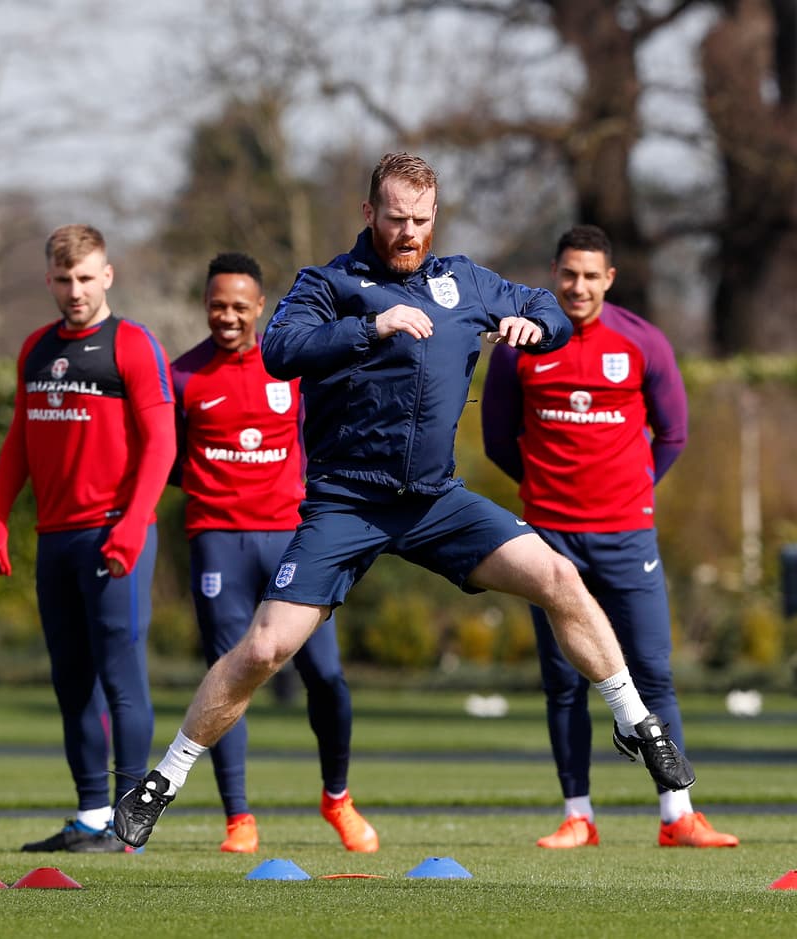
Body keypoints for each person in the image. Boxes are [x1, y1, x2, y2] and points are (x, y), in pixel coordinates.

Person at [113, 152, 696, 850]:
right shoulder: (329, 284)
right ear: (370, 213)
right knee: (265, 647)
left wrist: (538, 328)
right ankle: (162, 782)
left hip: (434, 501)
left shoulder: (464, 282)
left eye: (422, 219)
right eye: (396, 218)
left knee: (556, 576)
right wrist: (372, 327)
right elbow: (281, 348)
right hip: (345, 504)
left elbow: (546, 306)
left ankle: (636, 723)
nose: (410, 232)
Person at [481, 224, 737, 849]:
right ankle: (578, 815)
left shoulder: (644, 341)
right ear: (554, 271)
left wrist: (633, 491)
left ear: (609, 279)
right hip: (549, 540)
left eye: (592, 276)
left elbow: (672, 433)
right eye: (569, 274)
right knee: (565, 680)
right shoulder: (521, 345)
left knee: (652, 673)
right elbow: (496, 439)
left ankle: (678, 816)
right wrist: (547, 489)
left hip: (628, 537)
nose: (579, 286)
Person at [170, 251, 376, 853]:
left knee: (327, 677)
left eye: (238, 306)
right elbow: (169, 460)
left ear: (260, 307)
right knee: (229, 677)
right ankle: (239, 818)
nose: (226, 316)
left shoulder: (292, 368)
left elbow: (327, 438)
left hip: (293, 538)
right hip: (218, 543)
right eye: (216, 305)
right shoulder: (183, 376)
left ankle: (336, 799)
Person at [0, 224, 176, 853]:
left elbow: (161, 445)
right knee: (71, 681)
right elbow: (20, 439)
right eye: (63, 279)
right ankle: (91, 816)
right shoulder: (36, 349)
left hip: (115, 535)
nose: (75, 290)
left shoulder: (133, 345)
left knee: (122, 681)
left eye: (86, 278)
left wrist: (131, 523)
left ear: (108, 276)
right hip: (55, 538)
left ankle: (130, 826)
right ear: (49, 279)